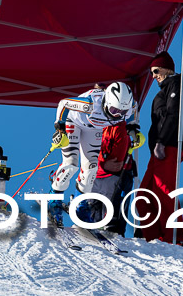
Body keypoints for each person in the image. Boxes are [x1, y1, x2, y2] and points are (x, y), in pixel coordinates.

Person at [48, 81, 137, 227]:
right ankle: (54, 199)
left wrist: (133, 128)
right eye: (114, 110)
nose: (118, 115)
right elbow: (63, 103)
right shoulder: (90, 104)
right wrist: (60, 128)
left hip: (93, 129)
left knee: (91, 169)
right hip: (73, 122)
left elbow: (133, 109)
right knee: (71, 164)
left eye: (122, 112)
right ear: (107, 101)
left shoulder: (128, 107)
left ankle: (81, 207)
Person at [135, 51, 183, 244]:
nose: (153, 76)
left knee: (164, 192)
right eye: (152, 72)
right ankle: (154, 237)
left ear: (166, 68)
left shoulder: (176, 84)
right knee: (142, 196)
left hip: (168, 146)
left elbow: (173, 115)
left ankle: (175, 237)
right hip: (157, 151)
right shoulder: (162, 92)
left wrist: (161, 142)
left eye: (156, 71)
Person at [79, 120, 144, 235]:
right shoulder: (89, 123)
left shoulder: (118, 127)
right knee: (94, 211)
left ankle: (113, 231)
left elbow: (115, 165)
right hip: (95, 176)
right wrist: (102, 163)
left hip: (115, 177)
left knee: (113, 219)